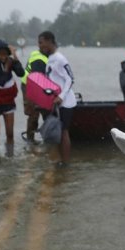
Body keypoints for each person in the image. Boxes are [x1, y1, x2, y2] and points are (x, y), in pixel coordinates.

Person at [40, 31, 77, 166]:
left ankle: (66, 163)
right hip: (55, 102)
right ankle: (59, 160)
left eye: (41, 42)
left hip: (66, 102)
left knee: (64, 131)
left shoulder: (60, 58)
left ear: (50, 41)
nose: (40, 46)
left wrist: (61, 96)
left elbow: (70, 79)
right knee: (57, 132)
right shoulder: (50, 58)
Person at [20, 33, 50, 144]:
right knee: (34, 112)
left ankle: (44, 134)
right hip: (29, 85)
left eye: (43, 43)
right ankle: (30, 139)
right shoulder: (38, 58)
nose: (42, 46)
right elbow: (38, 79)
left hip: (38, 84)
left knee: (45, 111)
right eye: (40, 43)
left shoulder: (49, 55)